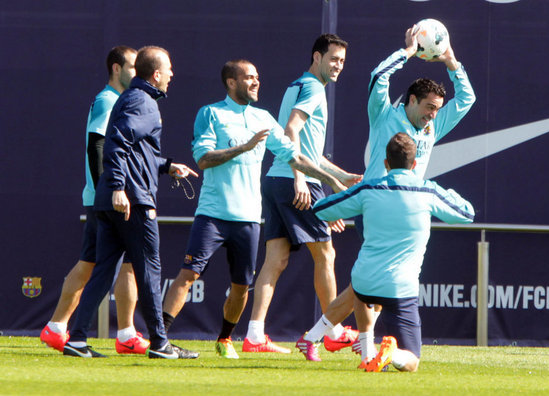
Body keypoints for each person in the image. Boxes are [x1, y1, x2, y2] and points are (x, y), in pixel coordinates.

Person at [296, 24, 476, 361]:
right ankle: (361, 347)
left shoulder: (432, 126)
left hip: (409, 209)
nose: (433, 115)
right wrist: (408, 52)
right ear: (411, 101)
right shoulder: (384, 115)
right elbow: (379, 76)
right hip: (376, 205)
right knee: (369, 286)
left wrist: (451, 60)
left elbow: (467, 99)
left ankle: (320, 338)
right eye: (428, 107)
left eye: (437, 109)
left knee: (365, 286)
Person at [161, 59, 348, 359]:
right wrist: (243, 148)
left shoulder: (263, 117)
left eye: (257, 77)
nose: (256, 82)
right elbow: (203, 159)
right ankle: (160, 338)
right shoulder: (211, 113)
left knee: (240, 287)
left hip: (248, 219)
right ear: (231, 83)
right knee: (188, 275)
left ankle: (225, 339)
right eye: (248, 78)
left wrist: (331, 181)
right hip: (212, 215)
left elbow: (295, 156)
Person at [63, 46, 199, 359]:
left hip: (117, 202)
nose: (172, 75)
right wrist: (117, 189)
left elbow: (137, 151)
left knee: (104, 272)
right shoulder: (143, 101)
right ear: (155, 74)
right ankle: (161, 344)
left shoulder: (132, 97)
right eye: (168, 69)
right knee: (149, 270)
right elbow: (117, 144)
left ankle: (77, 339)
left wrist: (166, 166)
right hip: (132, 202)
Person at [312, 132, 474, 372]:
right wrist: (446, 192)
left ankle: (368, 355)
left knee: (362, 286)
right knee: (411, 362)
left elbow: (321, 209)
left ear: (385, 164)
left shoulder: (368, 188)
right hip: (400, 287)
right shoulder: (428, 191)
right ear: (415, 164)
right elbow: (467, 214)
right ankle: (392, 354)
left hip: (364, 284)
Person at [243, 33, 362, 355]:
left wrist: (341, 175)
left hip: (275, 180)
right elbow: (291, 131)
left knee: (276, 259)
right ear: (317, 57)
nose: (338, 66)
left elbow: (310, 151)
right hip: (294, 181)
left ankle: (254, 334)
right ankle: (333, 330)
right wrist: (299, 179)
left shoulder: (298, 85)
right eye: (334, 59)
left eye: (342, 61)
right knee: (326, 254)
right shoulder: (312, 88)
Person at [40, 46, 150, 355]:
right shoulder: (108, 100)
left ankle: (62, 327)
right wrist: (110, 190)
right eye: (132, 67)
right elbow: (96, 144)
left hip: (108, 198)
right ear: (116, 68)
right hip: (108, 200)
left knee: (100, 263)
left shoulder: (119, 100)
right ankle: (68, 328)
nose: (137, 73)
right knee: (115, 264)